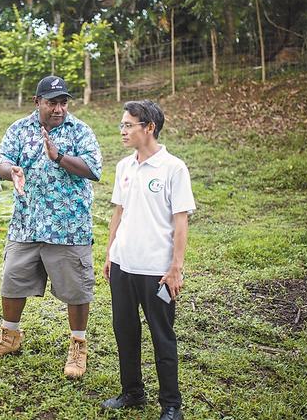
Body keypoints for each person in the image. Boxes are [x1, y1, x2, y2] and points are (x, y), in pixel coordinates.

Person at [0, 75, 102, 379]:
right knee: (13, 279)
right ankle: (10, 337)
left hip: (68, 226)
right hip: (27, 222)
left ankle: (78, 344)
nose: (59, 108)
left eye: (63, 102)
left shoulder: (80, 131)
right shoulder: (19, 129)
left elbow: (93, 169)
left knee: (76, 289)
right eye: (52, 102)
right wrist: (12, 172)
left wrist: (58, 156)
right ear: (37, 102)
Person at [101, 100, 195, 420]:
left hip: (157, 271)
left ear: (149, 127)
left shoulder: (173, 168)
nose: (123, 131)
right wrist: (110, 253)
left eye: (129, 125)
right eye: (122, 125)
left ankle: (171, 405)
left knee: (162, 336)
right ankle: (132, 392)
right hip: (123, 266)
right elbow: (119, 211)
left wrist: (175, 268)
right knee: (124, 331)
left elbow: (180, 221)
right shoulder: (124, 166)